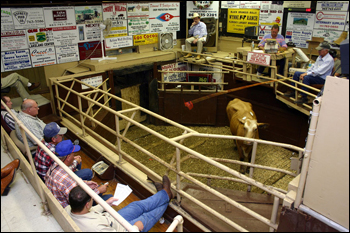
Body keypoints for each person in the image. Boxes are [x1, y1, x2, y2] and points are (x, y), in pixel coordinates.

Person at [65, 175, 174, 232]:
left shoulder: (70, 208)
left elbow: (90, 211)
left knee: (135, 205)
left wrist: (106, 203)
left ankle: (163, 194)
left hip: (111, 219)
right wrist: (135, 228)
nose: (93, 198)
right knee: (147, 216)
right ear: (87, 204)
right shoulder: (96, 228)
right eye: (91, 198)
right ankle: (166, 195)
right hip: (124, 229)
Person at [45, 139, 112, 208]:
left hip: (58, 201)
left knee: (96, 188)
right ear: (68, 157)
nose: (74, 156)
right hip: (72, 208)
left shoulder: (55, 165)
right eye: (73, 154)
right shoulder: (68, 180)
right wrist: (98, 191)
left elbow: (71, 183)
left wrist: (85, 183)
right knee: (109, 197)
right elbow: (79, 203)